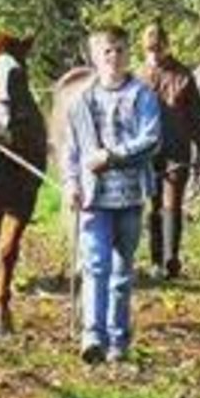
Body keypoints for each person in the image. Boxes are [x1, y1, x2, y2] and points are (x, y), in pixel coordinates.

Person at [61, 24, 162, 364]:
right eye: (107, 51)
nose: (114, 58)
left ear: (127, 53)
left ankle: (119, 340)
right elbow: (71, 151)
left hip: (131, 199)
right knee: (95, 266)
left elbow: (151, 140)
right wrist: (72, 183)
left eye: (119, 50)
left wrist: (112, 155)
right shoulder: (81, 102)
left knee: (121, 274)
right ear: (95, 56)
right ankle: (93, 337)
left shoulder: (142, 95)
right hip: (93, 200)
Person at [137, 21, 200, 281]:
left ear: (166, 47)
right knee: (153, 205)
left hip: (177, 149)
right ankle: (155, 260)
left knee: (172, 205)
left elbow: (197, 115)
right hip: (147, 152)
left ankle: (171, 260)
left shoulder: (183, 76)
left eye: (158, 49)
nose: (154, 54)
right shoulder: (138, 77)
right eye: (150, 49)